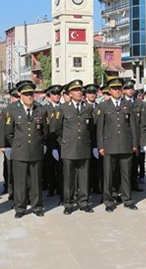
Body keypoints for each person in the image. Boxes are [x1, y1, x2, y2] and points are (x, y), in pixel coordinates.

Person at [3, 81, 49, 218]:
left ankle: (37, 206)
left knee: (36, 181)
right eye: (26, 94)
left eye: (31, 94)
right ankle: (20, 208)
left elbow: (45, 131)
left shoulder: (40, 110)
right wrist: (16, 145)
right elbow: (9, 132)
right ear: (20, 95)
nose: (30, 96)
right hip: (19, 152)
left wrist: (42, 144)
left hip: (36, 151)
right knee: (20, 182)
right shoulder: (12, 109)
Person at [97, 77, 139, 212]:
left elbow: (133, 126)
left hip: (126, 144)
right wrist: (101, 146)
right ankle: (108, 201)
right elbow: (100, 128)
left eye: (119, 88)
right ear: (109, 91)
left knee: (126, 174)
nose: (117, 91)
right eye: (114, 89)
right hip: (109, 145)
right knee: (108, 175)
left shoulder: (128, 104)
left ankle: (127, 199)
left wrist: (135, 143)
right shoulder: (103, 106)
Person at [54, 80, 96, 215]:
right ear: (70, 94)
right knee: (69, 178)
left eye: (80, 90)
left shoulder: (88, 108)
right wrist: (65, 142)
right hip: (69, 148)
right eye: (76, 90)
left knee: (84, 177)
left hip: (84, 147)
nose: (79, 92)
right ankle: (68, 203)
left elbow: (91, 128)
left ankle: (83, 202)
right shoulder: (63, 109)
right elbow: (58, 128)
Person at [43, 84, 65, 199]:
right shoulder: (45, 109)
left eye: (58, 94)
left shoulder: (64, 107)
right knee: (49, 167)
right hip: (49, 142)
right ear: (50, 96)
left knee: (61, 168)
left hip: (61, 142)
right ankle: (51, 188)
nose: (56, 96)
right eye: (54, 94)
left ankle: (61, 190)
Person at [123, 79, 145, 192]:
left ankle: (134, 183)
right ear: (124, 90)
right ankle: (125, 185)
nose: (130, 90)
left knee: (136, 161)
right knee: (125, 162)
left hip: (137, 136)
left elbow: (143, 122)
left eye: (132, 88)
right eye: (127, 88)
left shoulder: (139, 103)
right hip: (124, 137)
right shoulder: (121, 103)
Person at [0, 86, 20, 199]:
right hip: (9, 145)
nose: (17, 99)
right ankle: (8, 187)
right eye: (15, 97)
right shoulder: (7, 110)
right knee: (9, 168)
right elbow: (2, 128)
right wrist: (2, 145)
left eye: (19, 97)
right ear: (11, 98)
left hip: (20, 145)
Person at [84, 84, 103, 194]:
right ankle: (87, 187)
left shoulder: (99, 107)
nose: (92, 95)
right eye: (90, 93)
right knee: (86, 167)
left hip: (97, 139)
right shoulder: (84, 106)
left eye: (94, 93)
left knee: (97, 166)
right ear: (86, 95)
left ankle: (96, 186)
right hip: (86, 140)